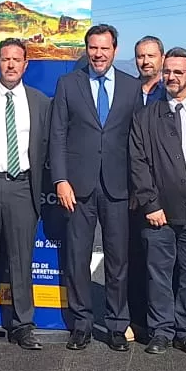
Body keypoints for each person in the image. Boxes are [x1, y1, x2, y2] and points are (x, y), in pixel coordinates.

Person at [49, 23, 141, 353]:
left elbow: (137, 141)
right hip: (78, 186)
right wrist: (60, 180)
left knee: (118, 259)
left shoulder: (132, 88)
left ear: (115, 50)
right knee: (77, 257)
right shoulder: (68, 84)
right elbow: (57, 135)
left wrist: (137, 187)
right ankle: (82, 323)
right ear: (86, 50)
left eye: (104, 48)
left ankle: (117, 324)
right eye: (93, 48)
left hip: (118, 187)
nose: (98, 54)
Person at [129, 47, 186, 355]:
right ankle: (161, 330)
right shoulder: (145, 116)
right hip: (158, 213)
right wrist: (150, 204)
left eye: (179, 72)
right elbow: (138, 163)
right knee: (159, 274)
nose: (172, 77)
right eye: (168, 71)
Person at [0, 38, 51, 351]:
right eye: (5, 59)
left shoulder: (41, 102)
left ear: (26, 64)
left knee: (21, 260)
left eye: (17, 59)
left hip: (22, 188)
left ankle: (23, 325)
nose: (11, 65)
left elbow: (48, 149)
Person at [133, 37, 166, 104]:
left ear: (163, 59)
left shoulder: (169, 91)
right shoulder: (128, 91)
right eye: (141, 57)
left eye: (151, 56)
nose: (145, 62)